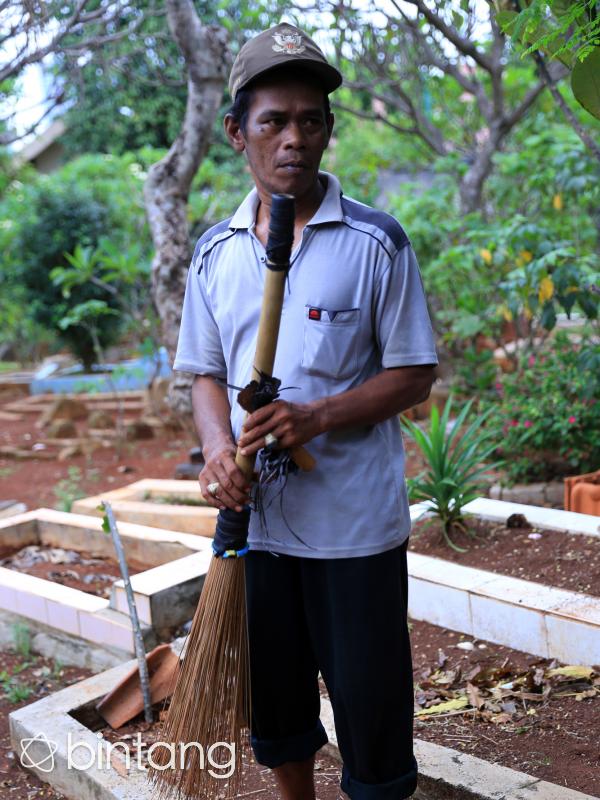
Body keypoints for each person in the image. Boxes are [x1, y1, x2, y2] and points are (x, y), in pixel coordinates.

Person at [173, 22, 438, 800]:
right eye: (274, 121)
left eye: (312, 120)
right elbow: (204, 374)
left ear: (328, 130)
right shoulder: (215, 252)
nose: (296, 138)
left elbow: (415, 371)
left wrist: (317, 417)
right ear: (236, 133)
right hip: (259, 532)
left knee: (371, 706)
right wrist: (221, 452)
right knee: (278, 703)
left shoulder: (375, 243)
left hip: (353, 529)